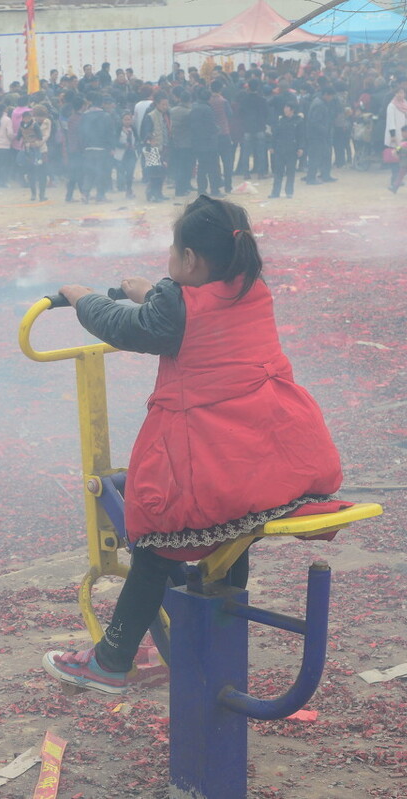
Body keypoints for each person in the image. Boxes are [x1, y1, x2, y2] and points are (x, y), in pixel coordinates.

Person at [43, 195, 342, 695]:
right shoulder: (252, 287)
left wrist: (80, 297)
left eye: (172, 251)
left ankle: (112, 659)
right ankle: (218, 629)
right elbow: (182, 309)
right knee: (233, 533)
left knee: (156, 544)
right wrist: (150, 291)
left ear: (191, 261)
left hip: (214, 464)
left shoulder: (174, 307)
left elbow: (125, 327)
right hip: (277, 464)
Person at [268, 100, 304, 199]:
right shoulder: (280, 121)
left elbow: (301, 136)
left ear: (292, 110)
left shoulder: (299, 121)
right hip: (280, 149)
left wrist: (301, 148)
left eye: (286, 108)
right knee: (278, 172)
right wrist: (271, 146)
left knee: (290, 172)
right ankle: (275, 192)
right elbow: (274, 135)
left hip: (292, 149)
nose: (284, 109)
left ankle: (289, 192)